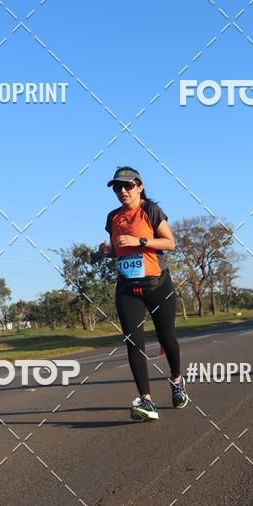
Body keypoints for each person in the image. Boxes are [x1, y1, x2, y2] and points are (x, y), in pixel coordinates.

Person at [99, 166, 189, 421]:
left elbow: (169, 243)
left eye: (128, 186)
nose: (123, 191)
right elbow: (119, 249)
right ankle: (147, 400)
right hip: (127, 287)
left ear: (139, 187)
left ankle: (177, 380)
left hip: (158, 285)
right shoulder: (113, 217)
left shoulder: (150, 210)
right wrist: (108, 252)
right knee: (133, 342)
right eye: (118, 187)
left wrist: (140, 241)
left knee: (166, 338)